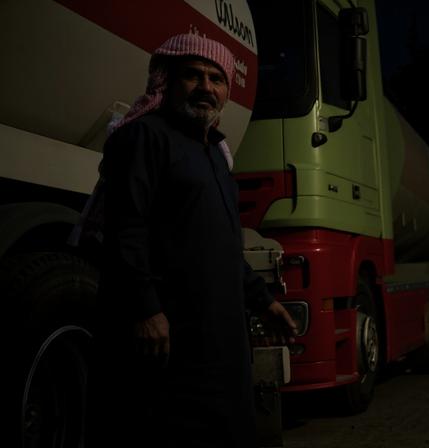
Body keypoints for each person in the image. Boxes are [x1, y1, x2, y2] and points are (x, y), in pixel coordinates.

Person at [84, 33, 297, 448]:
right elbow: (125, 229)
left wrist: (264, 301)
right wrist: (146, 309)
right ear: (167, 82)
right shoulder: (144, 136)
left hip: (220, 344)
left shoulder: (216, 154)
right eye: (193, 76)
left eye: (216, 79)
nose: (205, 87)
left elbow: (223, 247)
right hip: (171, 342)